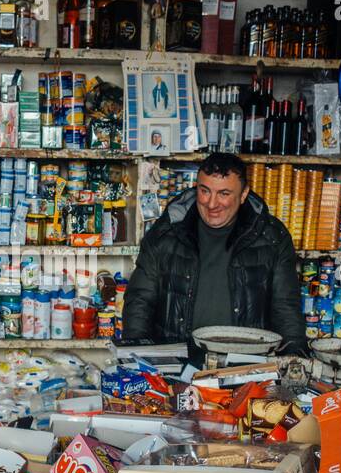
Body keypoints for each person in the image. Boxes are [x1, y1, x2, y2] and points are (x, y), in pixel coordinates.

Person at [122, 152, 307, 355]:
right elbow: (140, 302)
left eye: (224, 194)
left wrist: (293, 361)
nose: (212, 204)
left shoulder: (272, 238)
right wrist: (135, 360)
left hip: (247, 367)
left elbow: (286, 309)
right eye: (205, 191)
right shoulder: (166, 232)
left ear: (244, 194)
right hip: (178, 365)